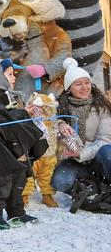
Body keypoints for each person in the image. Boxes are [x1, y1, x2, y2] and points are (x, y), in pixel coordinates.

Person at [0, 58, 47, 229]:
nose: (13, 78)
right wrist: (23, 113)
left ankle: (16, 212)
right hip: (0, 146)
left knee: (18, 176)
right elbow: (1, 121)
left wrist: (24, 111)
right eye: (10, 74)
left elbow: (9, 115)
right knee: (2, 180)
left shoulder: (3, 94)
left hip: (13, 144)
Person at [51, 58, 111, 201]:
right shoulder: (60, 106)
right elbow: (47, 123)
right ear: (68, 88)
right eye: (78, 84)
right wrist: (59, 124)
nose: (84, 88)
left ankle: (99, 182)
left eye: (87, 82)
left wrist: (81, 153)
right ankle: (96, 185)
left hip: (98, 158)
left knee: (108, 152)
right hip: (74, 161)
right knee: (60, 182)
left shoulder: (101, 106)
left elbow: (105, 140)